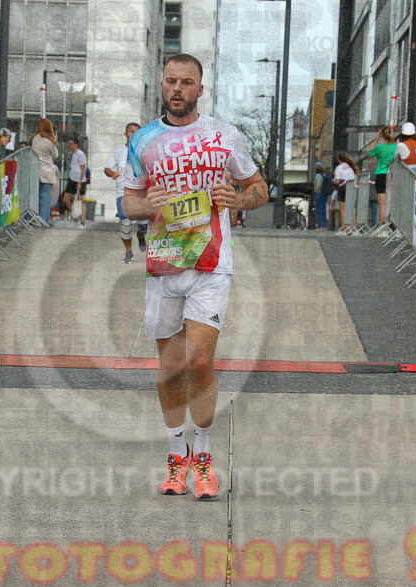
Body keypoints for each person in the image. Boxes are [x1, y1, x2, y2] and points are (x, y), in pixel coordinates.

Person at [122, 53, 268, 499]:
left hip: (211, 263)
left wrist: (239, 201)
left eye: (188, 82)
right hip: (165, 263)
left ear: (200, 90)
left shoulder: (224, 136)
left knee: (199, 361)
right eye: (171, 81)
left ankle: (202, 456)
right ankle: (175, 457)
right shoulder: (143, 140)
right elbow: (129, 204)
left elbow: (259, 188)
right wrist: (150, 205)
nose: (179, 88)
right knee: (170, 368)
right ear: (161, 86)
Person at [105, 122, 144, 262]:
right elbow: (107, 168)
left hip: (140, 192)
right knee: (125, 225)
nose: (133, 134)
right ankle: (128, 252)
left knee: (144, 225)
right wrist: (112, 174)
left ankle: (141, 235)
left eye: (136, 132)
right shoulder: (119, 150)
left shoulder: (145, 151)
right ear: (126, 134)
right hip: (122, 191)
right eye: (130, 131)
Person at [31, 119, 60, 224]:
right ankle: (44, 220)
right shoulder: (49, 142)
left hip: (35, 171)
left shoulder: (34, 139)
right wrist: (55, 140)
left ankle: (34, 218)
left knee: (35, 197)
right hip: (47, 172)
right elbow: (55, 155)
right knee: (45, 197)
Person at [368, 127, 396, 225]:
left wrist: (376, 139)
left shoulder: (380, 148)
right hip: (392, 176)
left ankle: (384, 228)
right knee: (393, 203)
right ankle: (394, 226)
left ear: (382, 136)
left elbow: (369, 152)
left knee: (382, 204)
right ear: (391, 134)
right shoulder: (396, 147)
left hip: (380, 175)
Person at [61, 137, 87, 223]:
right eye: (69, 144)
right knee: (65, 199)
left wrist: (80, 182)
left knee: (80, 201)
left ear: (76, 144)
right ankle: (75, 213)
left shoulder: (80, 154)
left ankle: (82, 221)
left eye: (71, 144)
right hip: (72, 179)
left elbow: (83, 169)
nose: (69, 145)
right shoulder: (72, 154)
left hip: (79, 181)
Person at [333, 152, 358, 230]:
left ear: (338, 159)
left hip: (343, 188)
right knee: (351, 209)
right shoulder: (351, 167)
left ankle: (345, 228)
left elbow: (337, 181)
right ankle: (354, 228)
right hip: (351, 188)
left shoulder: (339, 167)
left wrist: (333, 181)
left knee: (343, 210)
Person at [312, 162, 331, 229]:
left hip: (319, 194)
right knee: (324, 210)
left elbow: (318, 184)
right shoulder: (324, 175)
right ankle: (324, 226)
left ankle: (320, 226)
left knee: (319, 210)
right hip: (325, 194)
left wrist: (315, 191)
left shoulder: (318, 175)